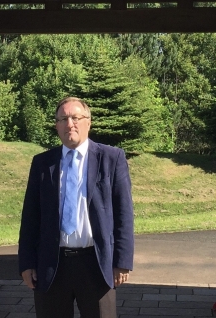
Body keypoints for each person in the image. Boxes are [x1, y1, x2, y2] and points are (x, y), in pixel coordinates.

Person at [18, 96, 134, 318]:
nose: (69, 124)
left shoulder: (111, 158)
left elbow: (124, 213)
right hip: (52, 264)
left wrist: (122, 260)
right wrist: (26, 262)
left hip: (97, 264)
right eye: (63, 119)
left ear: (88, 122)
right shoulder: (43, 163)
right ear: (56, 126)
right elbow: (31, 216)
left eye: (75, 117)